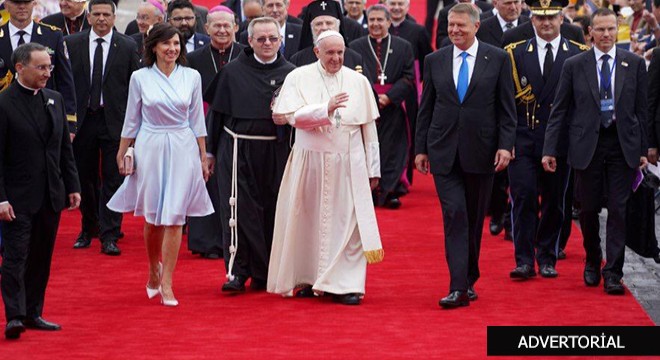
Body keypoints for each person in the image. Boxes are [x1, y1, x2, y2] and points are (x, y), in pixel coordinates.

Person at [268, 30, 383, 305]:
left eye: (340, 52)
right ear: (317, 52)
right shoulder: (298, 77)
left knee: (348, 225)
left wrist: (373, 169)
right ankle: (309, 278)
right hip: (310, 162)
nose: (336, 58)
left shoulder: (358, 81)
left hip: (349, 163)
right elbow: (285, 117)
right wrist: (324, 109)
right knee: (307, 221)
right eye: (330, 52)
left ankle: (345, 285)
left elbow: (370, 129)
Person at [416, 3, 516, 308]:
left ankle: (469, 276)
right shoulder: (435, 59)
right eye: (450, 25)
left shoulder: (497, 59)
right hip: (443, 151)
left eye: (461, 25)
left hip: (482, 152)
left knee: (473, 219)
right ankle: (458, 286)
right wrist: (420, 148)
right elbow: (427, 107)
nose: (455, 30)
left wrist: (505, 145)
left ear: (476, 26)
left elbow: (506, 109)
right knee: (455, 215)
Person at [542, 8, 649, 295]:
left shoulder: (634, 63)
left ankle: (613, 271)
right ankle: (592, 257)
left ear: (618, 30)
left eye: (610, 29)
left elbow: (642, 110)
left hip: (621, 145)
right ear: (590, 32)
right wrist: (550, 148)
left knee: (618, 209)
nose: (605, 35)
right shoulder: (574, 65)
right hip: (586, 145)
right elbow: (560, 109)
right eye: (600, 29)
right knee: (587, 209)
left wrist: (644, 148)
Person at [107, 23, 213, 306]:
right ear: (153, 47)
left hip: (182, 145)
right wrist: (122, 151)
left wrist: (203, 155)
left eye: (177, 44)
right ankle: (153, 269)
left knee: (176, 215)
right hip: (150, 144)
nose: (172, 49)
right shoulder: (140, 78)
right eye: (166, 44)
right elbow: (132, 119)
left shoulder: (192, 76)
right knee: (153, 217)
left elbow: (196, 120)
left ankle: (168, 283)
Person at [206, 16, 295, 293]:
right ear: (249, 40)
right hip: (237, 150)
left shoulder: (292, 74)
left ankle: (266, 271)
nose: (267, 43)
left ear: (280, 40)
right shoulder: (232, 72)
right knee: (238, 212)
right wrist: (209, 153)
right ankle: (237, 271)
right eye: (261, 39)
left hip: (277, 152)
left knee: (272, 211)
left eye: (272, 38)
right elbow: (216, 116)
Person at [0, 43, 81, 339]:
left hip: (50, 195)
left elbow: (63, 150)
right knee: (15, 257)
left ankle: (34, 311)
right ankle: (15, 315)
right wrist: (1, 198)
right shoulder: (4, 104)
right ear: (20, 68)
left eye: (50, 67)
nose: (48, 73)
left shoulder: (55, 99)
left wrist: (72, 186)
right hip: (16, 198)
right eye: (42, 67)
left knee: (41, 257)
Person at [506, 0, 585, 280]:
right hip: (524, 138)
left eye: (552, 17)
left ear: (562, 18)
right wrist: (506, 141)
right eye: (540, 18)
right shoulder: (514, 54)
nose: (546, 23)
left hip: (559, 142)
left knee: (554, 201)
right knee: (524, 197)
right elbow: (506, 104)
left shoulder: (577, 54)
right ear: (531, 20)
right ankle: (524, 259)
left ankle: (548, 256)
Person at [65, 0, 140, 255]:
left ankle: (110, 234)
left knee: (113, 178)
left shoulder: (128, 46)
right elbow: (65, 81)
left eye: (106, 14)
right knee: (84, 177)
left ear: (114, 17)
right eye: (96, 14)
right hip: (83, 121)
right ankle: (88, 229)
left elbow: (134, 87)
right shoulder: (72, 43)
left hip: (115, 121)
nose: (101, 19)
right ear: (88, 17)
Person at [187, 5, 244, 259]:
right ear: (206, 27)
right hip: (200, 127)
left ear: (236, 28)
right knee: (204, 182)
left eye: (226, 25)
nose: (221, 30)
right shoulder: (193, 58)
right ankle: (206, 242)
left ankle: (235, 239)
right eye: (216, 25)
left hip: (236, 127)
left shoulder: (246, 55)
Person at [351, 5, 415, 209]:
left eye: (380, 20)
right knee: (365, 148)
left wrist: (388, 97)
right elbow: (353, 77)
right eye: (372, 20)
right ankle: (367, 192)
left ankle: (389, 191)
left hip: (392, 106)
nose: (376, 24)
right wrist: (372, 98)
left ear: (388, 22)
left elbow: (409, 77)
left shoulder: (404, 46)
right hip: (365, 106)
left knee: (392, 149)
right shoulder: (355, 46)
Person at [0, 0, 78, 135]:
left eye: (26, 2)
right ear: (6, 5)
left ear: (34, 4)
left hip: (44, 115)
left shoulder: (53, 35)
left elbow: (65, 80)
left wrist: (69, 122)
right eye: (16, 2)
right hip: (4, 117)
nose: (22, 6)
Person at [290, 0, 365, 72]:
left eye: (329, 23)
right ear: (312, 28)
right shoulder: (298, 60)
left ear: (338, 25)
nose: (324, 28)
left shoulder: (355, 59)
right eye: (319, 24)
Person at [237, 0, 301, 60]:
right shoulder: (247, 35)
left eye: (278, 5)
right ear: (262, 8)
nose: (275, 10)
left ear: (287, 5)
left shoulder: (300, 32)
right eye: (270, 5)